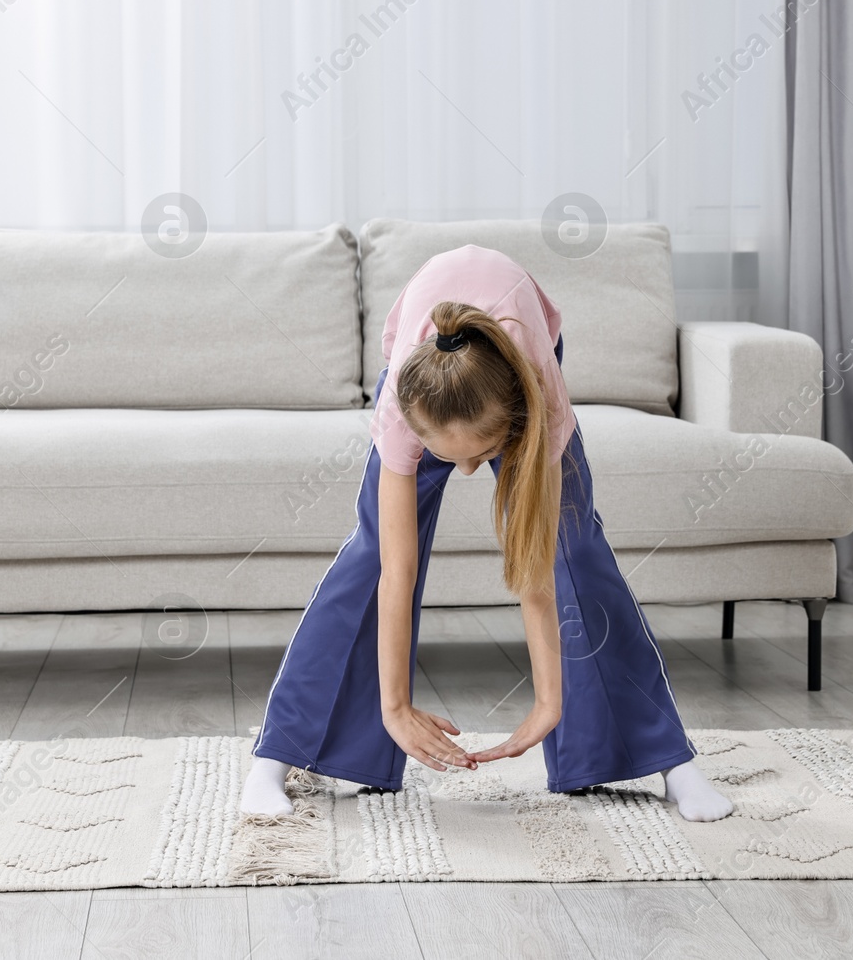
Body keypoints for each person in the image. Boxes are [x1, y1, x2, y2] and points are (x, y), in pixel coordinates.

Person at [240, 244, 732, 822]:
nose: (469, 471)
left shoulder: (537, 405)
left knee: (573, 550)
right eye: (450, 457)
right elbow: (398, 568)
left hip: (515, 369)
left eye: (485, 455)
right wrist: (394, 706)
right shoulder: (405, 411)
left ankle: (670, 762)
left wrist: (551, 700)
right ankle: (277, 758)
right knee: (373, 557)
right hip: (433, 375)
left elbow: (535, 560)